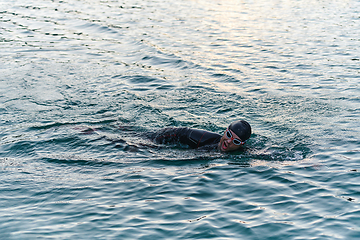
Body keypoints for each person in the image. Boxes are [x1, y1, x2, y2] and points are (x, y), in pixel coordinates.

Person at [150, 120, 251, 152]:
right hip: (173, 137)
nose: (229, 141)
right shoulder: (203, 138)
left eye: (236, 141)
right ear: (225, 131)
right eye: (228, 135)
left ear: (241, 145)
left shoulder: (242, 153)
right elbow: (180, 132)